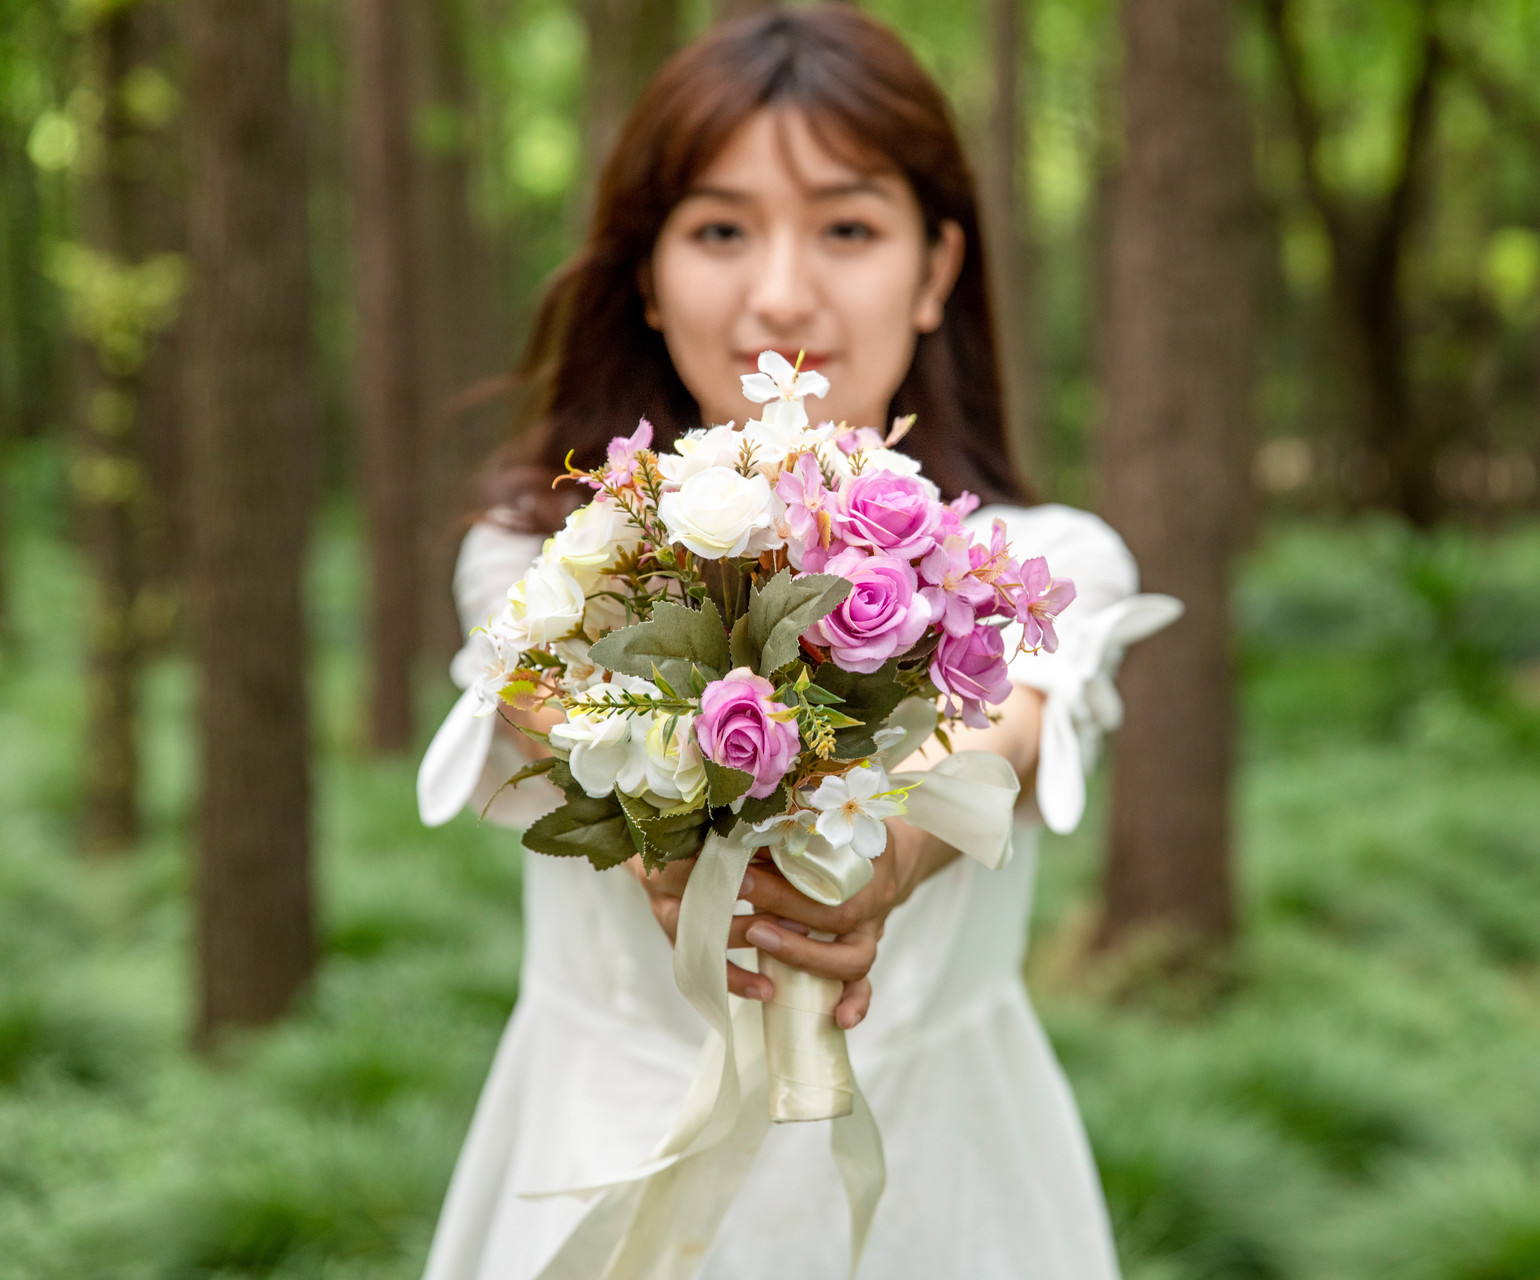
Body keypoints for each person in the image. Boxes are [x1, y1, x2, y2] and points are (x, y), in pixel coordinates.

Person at [416, 9, 1178, 1278]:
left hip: (951, 1195)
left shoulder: (1044, 562)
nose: (780, 293)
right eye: (719, 230)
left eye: (847, 227)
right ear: (646, 276)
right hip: (602, 1170)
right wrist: (671, 831)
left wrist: (890, 848)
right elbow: (537, 695)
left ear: (937, 267)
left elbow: (1014, 720)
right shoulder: (541, 553)